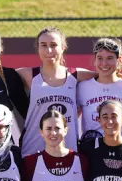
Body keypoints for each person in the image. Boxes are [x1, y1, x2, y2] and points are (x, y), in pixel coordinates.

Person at [17, 28, 80, 158]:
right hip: (32, 152)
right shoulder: (28, 74)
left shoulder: (75, 75)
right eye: (43, 45)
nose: (49, 50)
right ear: (38, 48)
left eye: (53, 45)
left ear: (63, 47)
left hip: (68, 153)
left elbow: (107, 74)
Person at [79, 38, 122, 142]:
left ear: (119, 60)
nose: (104, 63)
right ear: (94, 60)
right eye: (100, 58)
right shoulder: (82, 87)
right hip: (90, 152)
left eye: (109, 58)